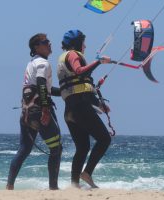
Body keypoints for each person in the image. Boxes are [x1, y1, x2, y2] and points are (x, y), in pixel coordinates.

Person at [6, 33, 62, 190]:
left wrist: (64, 91)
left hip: (27, 112)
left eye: (49, 41)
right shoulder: (43, 63)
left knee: (24, 149)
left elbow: (45, 88)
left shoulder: (32, 63)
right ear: (36, 47)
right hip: (39, 111)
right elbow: (41, 84)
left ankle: (9, 186)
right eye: (45, 42)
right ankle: (53, 188)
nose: (49, 43)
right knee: (56, 148)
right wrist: (45, 109)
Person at [57, 30, 112, 188]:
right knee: (104, 139)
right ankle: (87, 173)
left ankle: (74, 184)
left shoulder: (63, 57)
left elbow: (81, 87)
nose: (85, 46)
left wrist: (99, 104)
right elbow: (80, 73)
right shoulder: (73, 54)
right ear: (76, 43)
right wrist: (99, 62)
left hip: (70, 110)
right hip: (80, 108)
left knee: (82, 147)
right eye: (83, 42)